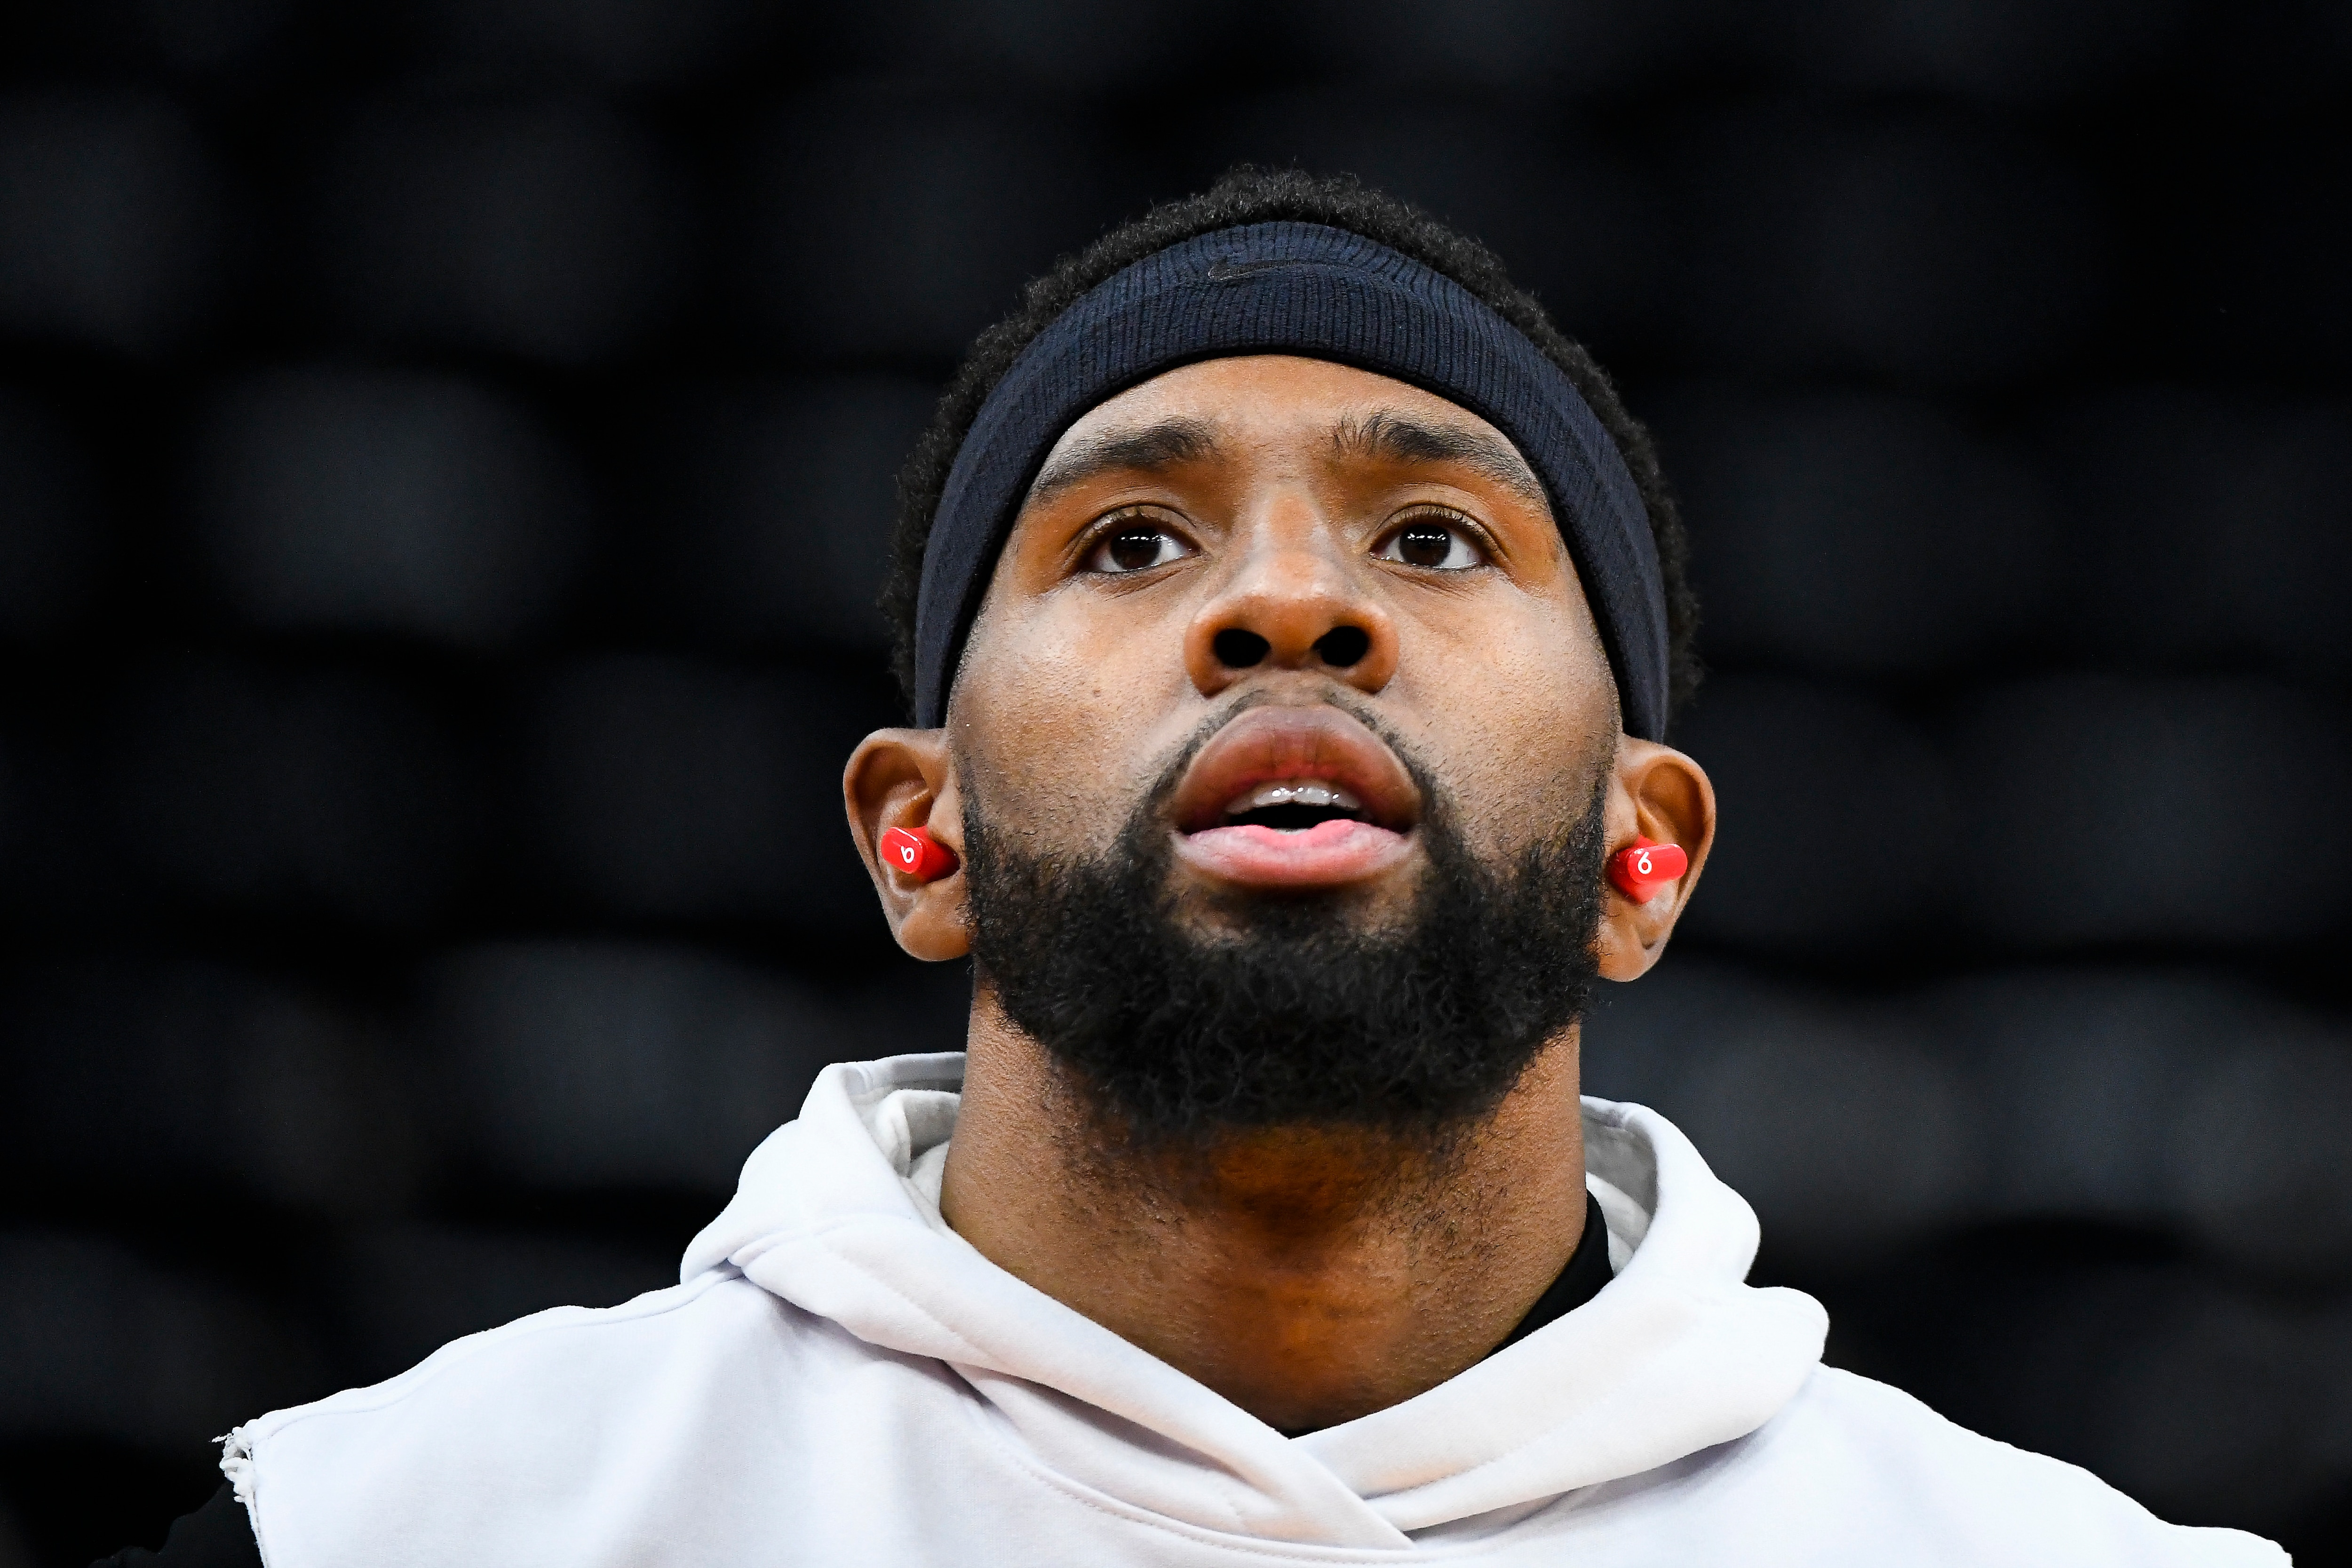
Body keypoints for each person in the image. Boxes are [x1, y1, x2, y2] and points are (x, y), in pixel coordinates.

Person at [100, 168, 2285, 1566]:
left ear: (1642, 851)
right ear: (916, 831)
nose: (1284, 611)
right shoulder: (403, 1530)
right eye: (1129, 542)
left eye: (1430, 539)